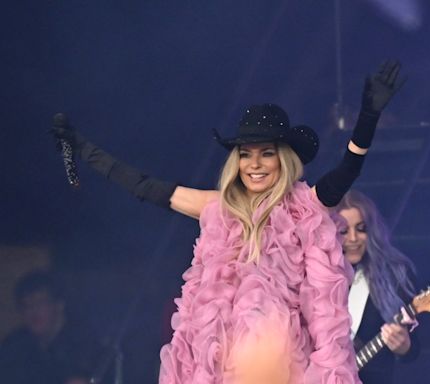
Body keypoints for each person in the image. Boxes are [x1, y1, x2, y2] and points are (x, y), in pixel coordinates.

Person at [50, 61, 405, 383]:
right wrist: (81, 148)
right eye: (246, 155)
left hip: (278, 360)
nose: (255, 164)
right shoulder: (218, 206)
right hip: (219, 360)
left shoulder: (304, 207)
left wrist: (368, 118)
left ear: (283, 160)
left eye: (266, 154)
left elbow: (345, 173)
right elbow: (145, 187)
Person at [334, 190, 420, 384]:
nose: (353, 238)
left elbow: (415, 348)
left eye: (361, 228)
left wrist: (404, 347)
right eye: (343, 231)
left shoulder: (395, 275)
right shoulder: (313, 278)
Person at [0, 270, 101, 384]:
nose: (33, 311)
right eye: (26, 306)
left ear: (59, 305)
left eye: (40, 303)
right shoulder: (15, 345)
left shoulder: (83, 341)